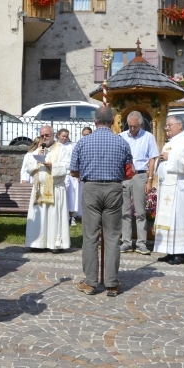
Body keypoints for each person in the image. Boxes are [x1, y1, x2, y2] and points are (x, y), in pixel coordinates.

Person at [69, 106, 131, 297]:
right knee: (112, 237)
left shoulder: (82, 142)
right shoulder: (121, 142)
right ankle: (111, 283)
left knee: (90, 236)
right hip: (113, 188)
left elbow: (73, 171)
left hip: (91, 188)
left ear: (94, 122)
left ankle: (90, 282)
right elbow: (129, 172)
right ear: (113, 122)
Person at [152, 116, 184, 265]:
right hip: (167, 186)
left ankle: (181, 253)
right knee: (169, 221)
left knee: (179, 220)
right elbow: (164, 161)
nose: (167, 128)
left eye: (169, 125)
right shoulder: (171, 142)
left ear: (179, 125)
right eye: (166, 125)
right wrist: (159, 161)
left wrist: (169, 157)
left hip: (180, 187)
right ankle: (170, 250)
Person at [24, 125, 71, 252]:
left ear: (53, 135)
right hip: (39, 189)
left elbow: (67, 167)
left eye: (47, 135)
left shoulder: (62, 150)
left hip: (55, 189)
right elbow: (28, 168)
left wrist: (53, 166)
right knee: (39, 217)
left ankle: (56, 244)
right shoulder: (38, 150)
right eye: (42, 136)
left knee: (54, 216)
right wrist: (37, 160)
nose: (44, 138)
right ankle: (38, 243)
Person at [119, 111, 158, 255]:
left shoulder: (148, 137)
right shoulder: (122, 137)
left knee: (141, 211)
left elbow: (153, 159)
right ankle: (126, 242)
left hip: (141, 174)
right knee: (125, 211)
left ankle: (142, 242)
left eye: (135, 126)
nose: (132, 129)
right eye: (130, 126)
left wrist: (150, 180)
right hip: (125, 176)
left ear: (141, 124)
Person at [57, 129, 79, 227]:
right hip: (58, 174)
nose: (65, 138)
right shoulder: (55, 146)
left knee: (71, 196)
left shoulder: (71, 146)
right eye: (63, 136)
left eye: (66, 136)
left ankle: (71, 216)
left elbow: (75, 160)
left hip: (69, 174)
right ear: (58, 136)